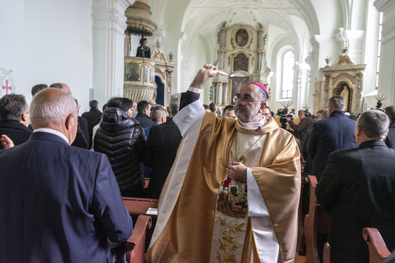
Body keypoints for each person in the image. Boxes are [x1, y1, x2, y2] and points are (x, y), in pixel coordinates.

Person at [146, 64, 301, 263]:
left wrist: (250, 175)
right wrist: (200, 79)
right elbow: (189, 115)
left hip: (253, 223)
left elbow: (289, 180)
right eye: (239, 97)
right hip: (214, 215)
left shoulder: (282, 139)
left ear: (263, 106)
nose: (240, 102)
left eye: (248, 98)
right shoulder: (221, 128)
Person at [0, 88, 133, 262]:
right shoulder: (92, 163)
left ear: (31, 119)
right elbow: (120, 229)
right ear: (71, 121)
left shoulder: (4, 158)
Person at [316, 110, 395, 263]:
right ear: (385, 132)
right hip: (389, 246)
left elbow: (323, 195)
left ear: (357, 130)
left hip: (347, 242)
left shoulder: (341, 159)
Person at [94, 97, 146, 197]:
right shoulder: (136, 129)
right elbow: (144, 157)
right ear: (125, 111)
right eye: (131, 109)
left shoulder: (99, 130)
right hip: (131, 185)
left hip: (106, 184)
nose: (132, 112)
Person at [307, 95, 357, 181]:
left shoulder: (320, 125)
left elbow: (310, 149)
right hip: (349, 170)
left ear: (329, 108)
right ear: (345, 108)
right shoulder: (355, 124)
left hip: (324, 169)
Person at [143, 93, 182, 199]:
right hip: (184, 188)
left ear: (168, 110)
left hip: (160, 185)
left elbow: (147, 162)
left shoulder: (156, 130)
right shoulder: (193, 131)